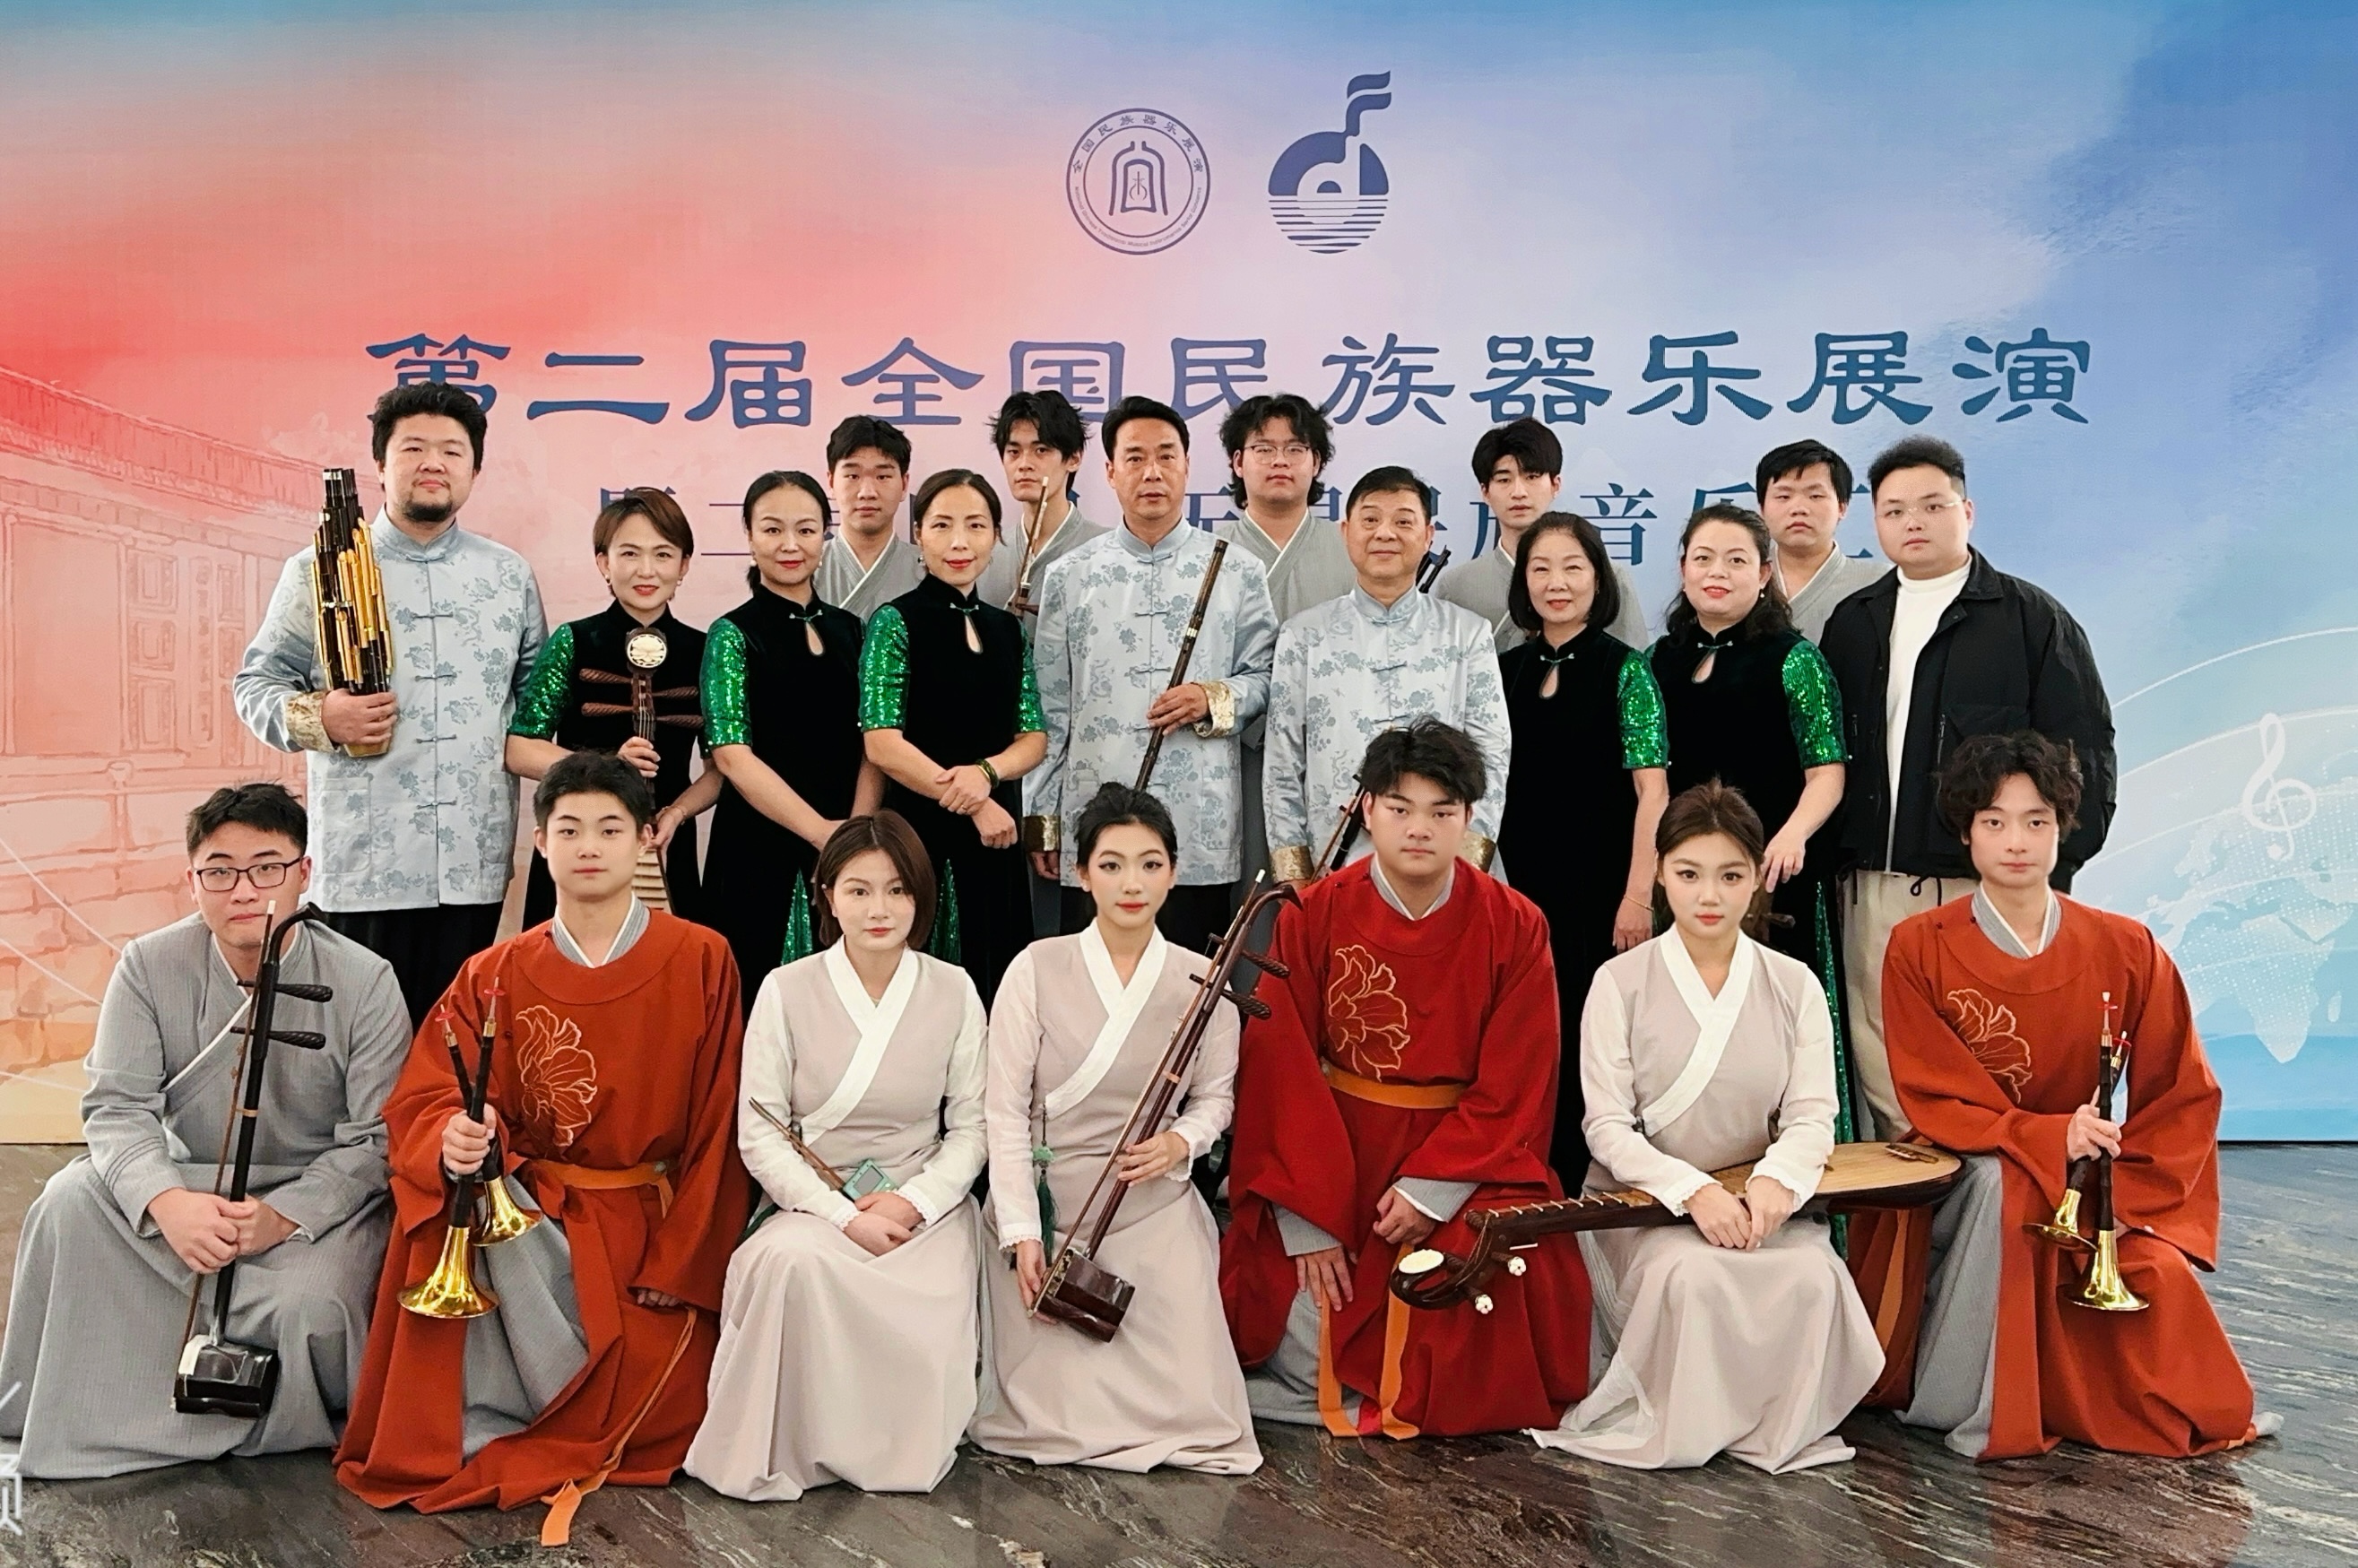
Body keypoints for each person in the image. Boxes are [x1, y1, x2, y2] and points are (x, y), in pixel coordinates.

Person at [334, 751, 750, 1544]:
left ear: (646, 840)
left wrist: (684, 1261)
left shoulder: (702, 956)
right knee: (439, 1214)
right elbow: (425, 1095)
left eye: (610, 829)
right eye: (569, 829)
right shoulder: (493, 971)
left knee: (667, 1410)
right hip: (529, 1216)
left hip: (646, 1220)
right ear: (539, 843)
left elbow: (719, 1121)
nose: (589, 846)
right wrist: (451, 1135)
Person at [1849, 732, 2268, 1460]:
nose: (2016, 841)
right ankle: (1967, 1402)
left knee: (2159, 1280)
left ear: (2062, 827)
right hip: (1970, 1163)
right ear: (1966, 831)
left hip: (2090, 1179)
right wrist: (2048, 1138)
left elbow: (2183, 1093)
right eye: (1994, 821)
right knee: (2002, 1187)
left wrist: (2125, 1195)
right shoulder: (1919, 944)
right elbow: (1935, 1092)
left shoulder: (2128, 946)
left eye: (2035, 820)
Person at [0, 784, 409, 1477]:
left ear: (304, 872)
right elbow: (117, 1106)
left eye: (267, 866)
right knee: (66, 1204)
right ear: (192, 880)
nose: (243, 889)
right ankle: (81, 1412)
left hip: (317, 1203)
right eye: (219, 870)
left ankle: (269, 1431)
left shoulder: (365, 979)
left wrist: (281, 1216)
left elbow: (375, 1138)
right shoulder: (148, 964)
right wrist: (168, 1203)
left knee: (307, 1303)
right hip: (191, 1184)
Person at [1223, 720, 1590, 1438]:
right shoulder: (1313, 912)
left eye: (1441, 811)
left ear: (1469, 817)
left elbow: (1518, 1083)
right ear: (1367, 809)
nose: (1419, 828)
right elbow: (1280, 1067)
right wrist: (1308, 1219)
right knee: (1304, 1297)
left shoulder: (1517, 924)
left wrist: (1432, 1190)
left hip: (1469, 1161)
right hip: (1334, 1157)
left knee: (1494, 1273)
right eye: (1399, 807)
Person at [1532, 782, 1882, 1473]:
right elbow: (1607, 1127)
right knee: (1690, 1273)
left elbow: (1813, 1114)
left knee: (1814, 1274)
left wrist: (1776, 1184)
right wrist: (1691, 1191)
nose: (1709, 895)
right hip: (1642, 1205)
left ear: (1756, 877)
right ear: (1661, 873)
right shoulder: (1618, 981)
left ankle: (1775, 1426)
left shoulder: (1794, 984)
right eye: (1689, 874)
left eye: (1730, 875)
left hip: (1756, 1202)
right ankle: (1684, 1425)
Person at [1818, 437, 2117, 1139]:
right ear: (1875, 521)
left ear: (1968, 510)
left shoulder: (2031, 619)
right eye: (1894, 510)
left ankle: (2002, 1189)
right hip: (1873, 884)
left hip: (1981, 885)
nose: (1912, 522)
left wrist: (2047, 871)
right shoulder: (1854, 622)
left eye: (1932, 505)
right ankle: (1914, 1197)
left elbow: (2084, 753)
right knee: (1882, 1051)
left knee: (1993, 1050)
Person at [687, 812, 987, 1501]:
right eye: (859, 890)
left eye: (897, 889)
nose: (880, 909)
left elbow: (972, 1129)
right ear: (826, 895)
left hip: (923, 1205)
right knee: (786, 1262)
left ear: (920, 896)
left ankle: (893, 1446)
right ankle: (793, 1445)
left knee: (930, 1288)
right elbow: (759, 1132)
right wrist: (842, 1215)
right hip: (817, 1203)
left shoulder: (955, 989)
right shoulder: (785, 988)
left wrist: (912, 1202)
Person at [235, 383, 546, 1026]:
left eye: (452, 451)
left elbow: (536, 706)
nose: (434, 463)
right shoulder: (320, 570)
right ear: (379, 464)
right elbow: (256, 684)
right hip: (364, 862)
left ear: (475, 469)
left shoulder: (508, 575)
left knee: (455, 1041)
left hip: (471, 859)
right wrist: (323, 717)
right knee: (357, 1044)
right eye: (414, 448)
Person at [973, 783, 1260, 1474]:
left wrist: (1181, 1142)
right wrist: (1022, 1230)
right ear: (1081, 873)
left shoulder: (1204, 981)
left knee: (1196, 1415)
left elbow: (1215, 1100)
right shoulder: (1035, 968)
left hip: (1151, 1200)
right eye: (1111, 864)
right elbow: (1003, 1109)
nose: (1132, 883)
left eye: (1150, 864)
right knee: (1045, 1406)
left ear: (1174, 872)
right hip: (1050, 1202)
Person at [1024, 395, 1279, 953]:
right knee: (1091, 981)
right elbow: (1048, 705)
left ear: (1187, 466)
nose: (1152, 472)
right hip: (1093, 813)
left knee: (1189, 981)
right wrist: (1042, 815)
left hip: (1198, 819)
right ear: (1110, 471)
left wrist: (1213, 698)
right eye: (1135, 458)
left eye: (1166, 456)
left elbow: (1266, 676)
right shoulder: (1070, 575)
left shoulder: (1237, 570)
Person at [1651, 503, 1855, 1137]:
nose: (1718, 572)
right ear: (1683, 569)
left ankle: (1806, 1167)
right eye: (1704, 558)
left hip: (1775, 874)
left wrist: (1791, 834)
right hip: (1685, 880)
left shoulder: (1794, 659)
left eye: (1736, 560)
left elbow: (1828, 772)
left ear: (1764, 573)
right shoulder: (1655, 661)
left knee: (1782, 1033)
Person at [1495, 511, 1669, 1179]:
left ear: (1599, 578)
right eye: (1540, 568)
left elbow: (1653, 793)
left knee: (1589, 1035)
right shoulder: (1501, 668)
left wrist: (1637, 895)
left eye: (1573, 567)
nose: (1556, 583)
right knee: (1521, 1032)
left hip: (1600, 890)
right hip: (1516, 887)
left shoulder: (1627, 670)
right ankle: (1522, 1176)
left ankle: (1584, 1186)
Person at [1263, 466, 1511, 887]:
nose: (1385, 533)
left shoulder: (1467, 634)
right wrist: (1295, 875)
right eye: (1371, 519)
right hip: (1333, 866)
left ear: (1428, 535)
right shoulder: (1303, 635)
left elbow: (1492, 752)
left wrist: (1466, 863)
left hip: (1445, 864)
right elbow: (1283, 761)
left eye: (1403, 521)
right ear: (1346, 532)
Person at [860, 469, 1048, 1003]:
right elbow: (882, 744)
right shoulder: (894, 621)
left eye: (976, 525)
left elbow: (1033, 737)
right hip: (920, 835)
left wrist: (987, 774)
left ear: (996, 535)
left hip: (996, 836)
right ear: (919, 534)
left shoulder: (1007, 629)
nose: (960, 542)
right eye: (942, 525)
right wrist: (975, 802)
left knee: (997, 985)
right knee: (925, 990)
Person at [702, 471, 885, 1006]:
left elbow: (875, 742)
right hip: (757, 846)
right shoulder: (732, 633)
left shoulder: (854, 630)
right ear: (749, 535)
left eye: (806, 530)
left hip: (848, 845)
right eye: (772, 529)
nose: (790, 545)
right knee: (755, 997)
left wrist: (854, 832)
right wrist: (819, 833)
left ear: (824, 535)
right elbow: (732, 756)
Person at [507, 488, 718, 928]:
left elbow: (722, 768)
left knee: (668, 958)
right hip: (579, 839)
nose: (647, 570)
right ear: (604, 562)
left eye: (663, 555)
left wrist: (677, 813)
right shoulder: (574, 641)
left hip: (666, 840)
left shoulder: (706, 651)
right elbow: (520, 749)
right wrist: (603, 767)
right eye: (629, 554)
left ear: (684, 565)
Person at [1214, 393, 1357, 895]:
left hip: (1328, 753)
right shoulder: (1206, 552)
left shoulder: (1353, 550)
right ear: (1238, 462)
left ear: (1316, 463)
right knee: (1238, 895)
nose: (1280, 461)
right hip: (1228, 752)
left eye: (1295, 449)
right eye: (1263, 449)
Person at [1435, 417, 1647, 654]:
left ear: (1555, 484)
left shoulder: (1607, 577)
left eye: (1532, 477)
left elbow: (1633, 664)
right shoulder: (1457, 587)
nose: (1519, 492)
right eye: (1504, 479)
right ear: (1485, 492)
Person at [974, 389, 1105, 618]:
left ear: (1074, 458)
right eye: (1014, 451)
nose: (1024, 464)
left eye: (1041, 450)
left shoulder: (1104, 549)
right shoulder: (984, 550)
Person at [1756, 439, 1885, 644]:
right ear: (1762, 508)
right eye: (1783, 496)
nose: (1799, 508)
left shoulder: (1880, 584)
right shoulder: (1739, 578)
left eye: (1815, 496)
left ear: (1842, 507)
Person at [813, 416, 925, 620]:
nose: (867, 492)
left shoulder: (930, 569)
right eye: (853, 476)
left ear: (904, 484)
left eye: (882, 477)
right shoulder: (805, 567)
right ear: (831, 482)